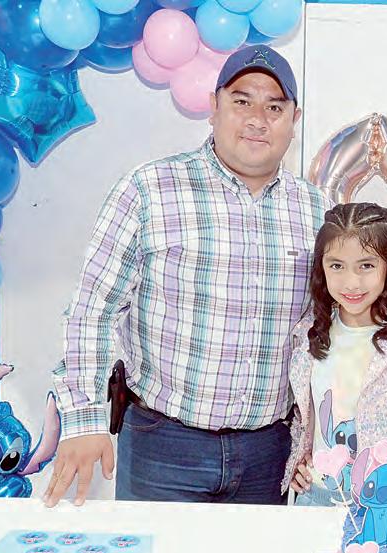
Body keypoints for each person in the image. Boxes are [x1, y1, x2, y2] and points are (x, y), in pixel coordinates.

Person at [44, 45, 330, 507]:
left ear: (294, 120)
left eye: (275, 107)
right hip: (163, 445)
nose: (258, 119)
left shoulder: (317, 210)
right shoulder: (149, 190)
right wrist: (83, 419)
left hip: (269, 454)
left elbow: (326, 331)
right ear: (214, 107)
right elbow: (93, 310)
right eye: (242, 101)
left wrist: (314, 437)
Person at [283, 203, 387, 506]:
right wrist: (297, 464)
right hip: (315, 498)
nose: (351, 283)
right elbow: (304, 420)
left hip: (384, 505)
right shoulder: (308, 334)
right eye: (337, 266)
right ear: (322, 267)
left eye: (366, 266)